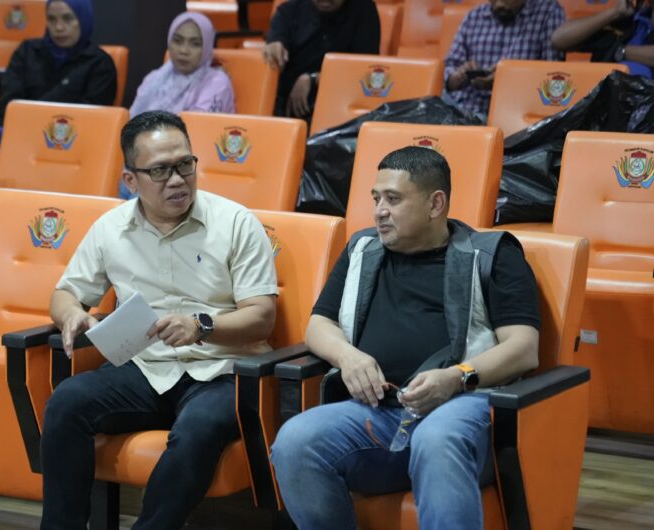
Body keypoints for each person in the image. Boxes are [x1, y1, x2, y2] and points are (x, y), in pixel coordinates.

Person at [270, 146, 541, 530]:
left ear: (435, 204)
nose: (379, 211)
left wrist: (457, 377)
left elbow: (524, 348)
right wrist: (348, 357)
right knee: (295, 441)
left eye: (393, 199)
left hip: (461, 406)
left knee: (436, 437)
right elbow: (318, 325)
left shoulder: (492, 255)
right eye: (376, 199)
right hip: (377, 412)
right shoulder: (362, 249)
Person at [41, 110, 278, 529]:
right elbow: (65, 293)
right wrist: (72, 314)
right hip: (146, 369)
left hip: (222, 371)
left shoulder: (236, 223)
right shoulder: (111, 228)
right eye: (160, 170)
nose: (177, 180)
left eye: (185, 164)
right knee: (66, 402)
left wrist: (201, 326)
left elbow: (262, 318)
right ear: (130, 180)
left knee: (198, 428)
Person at [0, 0, 117, 180]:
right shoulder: (27, 51)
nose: (59, 27)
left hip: (69, 143)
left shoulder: (100, 63)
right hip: (21, 135)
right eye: (52, 19)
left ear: (83, 19)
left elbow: (93, 118)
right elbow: (8, 103)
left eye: (67, 19)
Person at [444, 0, 566, 118]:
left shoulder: (548, 12)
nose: (499, 4)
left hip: (515, 113)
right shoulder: (474, 16)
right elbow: (450, 69)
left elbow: (553, 79)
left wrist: (508, 80)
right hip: (464, 107)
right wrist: (458, 76)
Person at [263, 0, 380, 121]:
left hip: (340, 102)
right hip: (288, 105)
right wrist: (274, 45)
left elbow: (366, 70)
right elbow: (275, 39)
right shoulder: (289, 10)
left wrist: (314, 78)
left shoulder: (364, 10)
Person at [129, 12, 235, 117]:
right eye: (177, 41)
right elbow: (132, 121)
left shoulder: (217, 82)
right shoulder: (154, 79)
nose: (184, 51)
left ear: (207, 48)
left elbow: (198, 124)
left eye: (195, 44)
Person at [551, 0, 653, 79]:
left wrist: (620, 51)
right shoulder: (629, 21)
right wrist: (615, 12)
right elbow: (558, 39)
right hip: (604, 95)